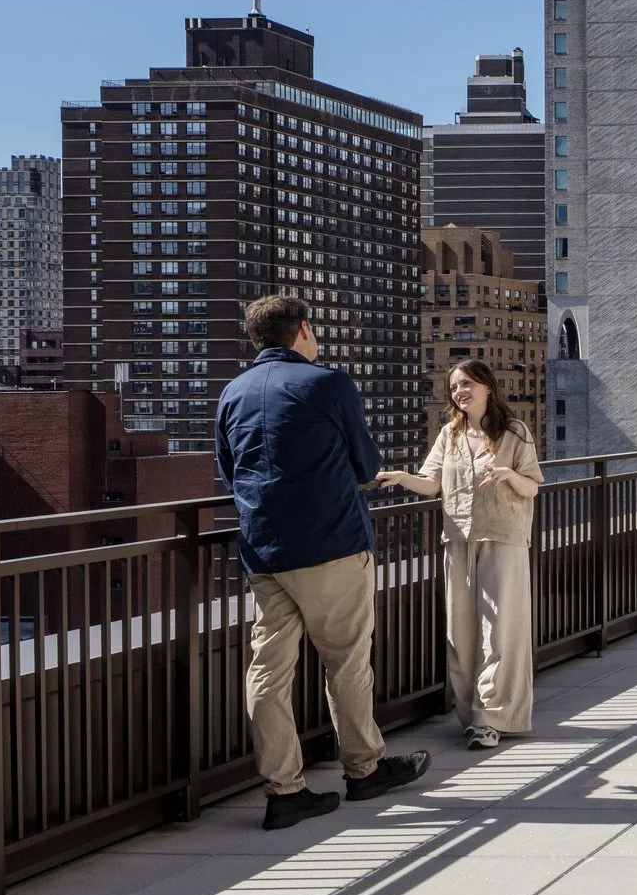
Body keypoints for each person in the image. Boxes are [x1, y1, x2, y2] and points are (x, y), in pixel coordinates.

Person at [216, 295, 429, 829]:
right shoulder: (327, 383)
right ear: (303, 332)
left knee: (267, 670)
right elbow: (367, 462)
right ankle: (364, 770)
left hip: (264, 550)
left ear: (256, 340)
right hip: (332, 544)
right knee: (348, 662)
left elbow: (227, 469)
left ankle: (284, 790)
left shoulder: (232, 393)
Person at [376, 358, 542, 750]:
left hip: (503, 539)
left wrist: (508, 475)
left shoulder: (514, 432)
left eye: (466, 384)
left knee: (500, 629)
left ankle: (492, 717)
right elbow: (432, 484)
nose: (459, 392)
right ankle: (471, 714)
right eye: (453, 387)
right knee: (461, 632)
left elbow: (533, 486)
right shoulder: (449, 434)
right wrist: (403, 478)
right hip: (458, 540)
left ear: (487, 386)